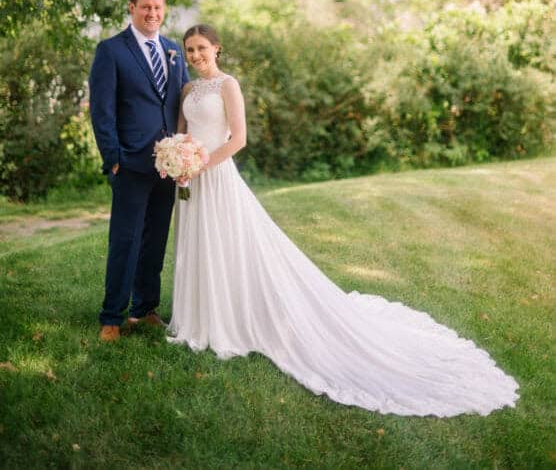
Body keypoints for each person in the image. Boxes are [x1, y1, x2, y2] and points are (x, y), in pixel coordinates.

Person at [167, 23, 519, 417]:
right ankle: (201, 318)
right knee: (198, 245)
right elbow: (183, 134)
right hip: (191, 182)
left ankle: (233, 318)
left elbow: (238, 139)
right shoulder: (187, 90)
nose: (195, 56)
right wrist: (179, 158)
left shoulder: (228, 85)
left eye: (201, 48)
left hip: (216, 177)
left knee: (230, 246)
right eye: (190, 50)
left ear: (217, 48)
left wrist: (201, 166)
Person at [89, 0, 188, 342]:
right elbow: (102, 111)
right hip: (129, 163)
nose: (152, 14)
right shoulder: (111, 51)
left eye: (158, 8)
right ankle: (111, 316)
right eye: (146, 7)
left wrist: (185, 152)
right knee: (125, 241)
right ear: (132, 8)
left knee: (155, 240)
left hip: (169, 166)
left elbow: (181, 104)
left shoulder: (173, 50)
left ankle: (144, 309)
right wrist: (113, 158)